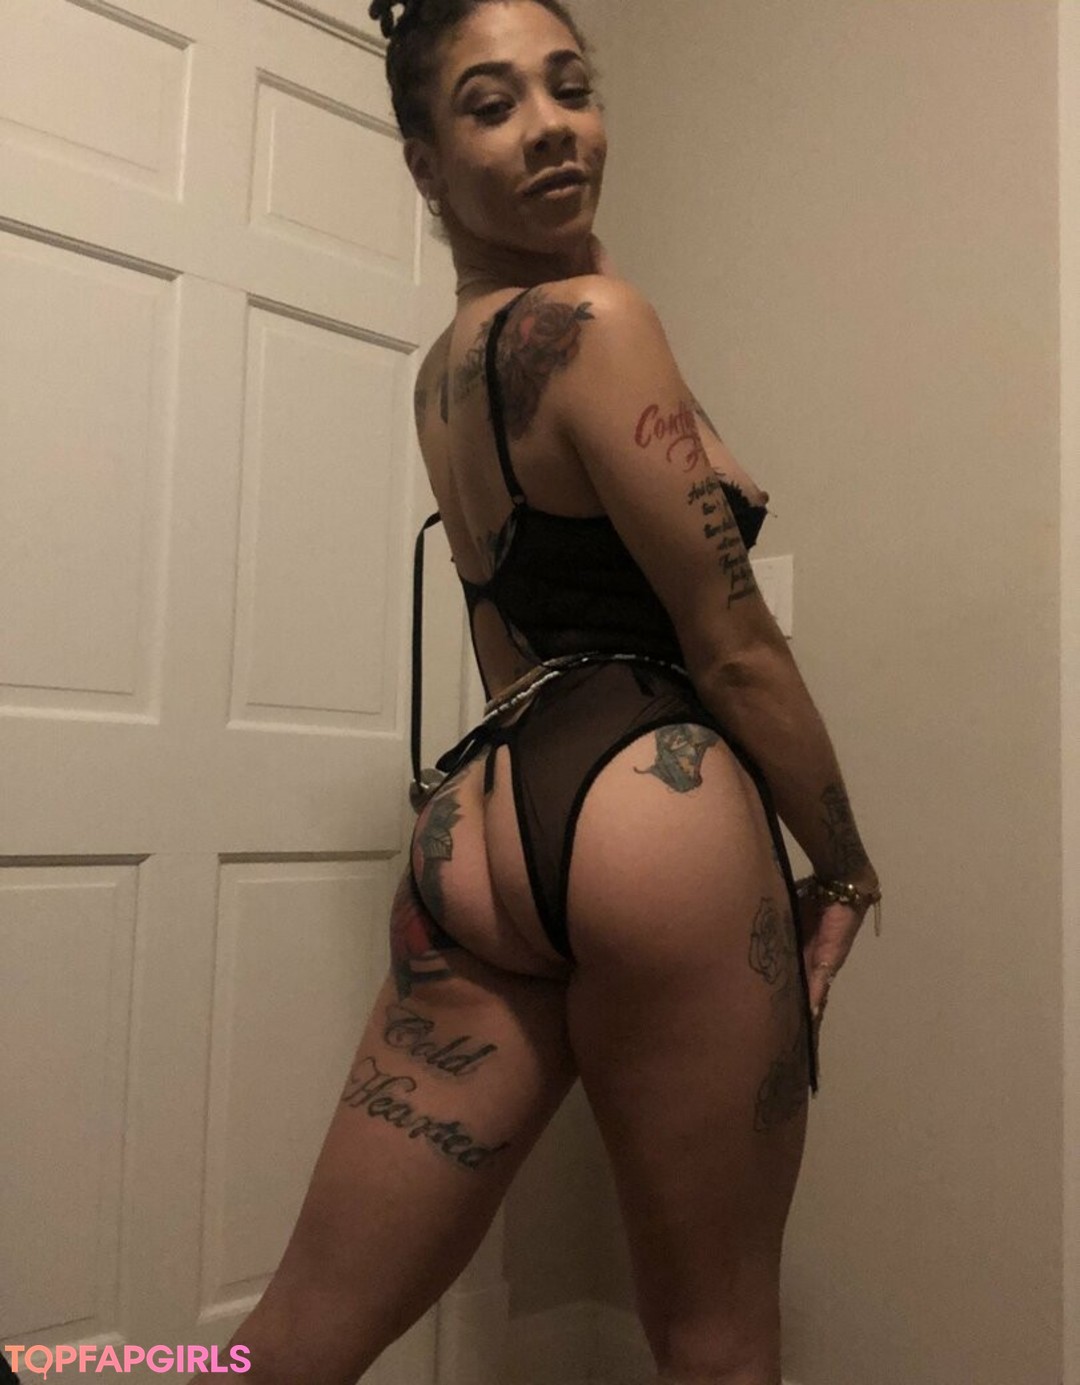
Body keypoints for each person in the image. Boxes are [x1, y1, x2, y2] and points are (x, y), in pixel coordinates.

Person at [210, 2, 882, 1382]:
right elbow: (733, 642)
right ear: (423, 162)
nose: (551, 127)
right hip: (651, 801)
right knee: (715, 1343)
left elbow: (522, 619)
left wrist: (579, 252)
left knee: (298, 1331)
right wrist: (847, 865)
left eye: (571, 88)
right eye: (493, 103)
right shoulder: (601, 324)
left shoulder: (445, 372)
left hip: (481, 825)